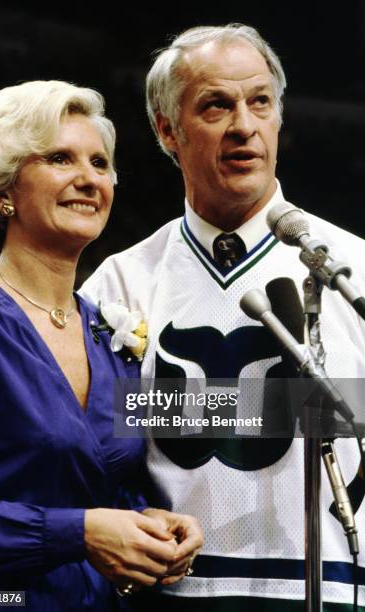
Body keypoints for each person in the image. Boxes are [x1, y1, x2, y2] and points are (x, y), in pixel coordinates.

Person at [80, 24, 365, 611]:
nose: (244, 125)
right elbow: (90, 459)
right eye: (216, 105)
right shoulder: (117, 283)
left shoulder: (354, 268)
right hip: (169, 596)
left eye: (260, 101)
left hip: (332, 590)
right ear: (168, 132)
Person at [0, 80, 203, 611]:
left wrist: (145, 524)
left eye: (99, 163)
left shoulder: (108, 331)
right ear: (4, 190)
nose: (89, 179)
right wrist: (80, 533)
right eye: (60, 158)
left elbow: (100, 483)